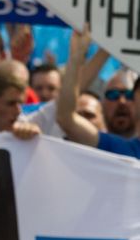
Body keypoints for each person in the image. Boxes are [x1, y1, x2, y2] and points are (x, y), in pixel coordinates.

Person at [56, 26, 140, 158]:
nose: (122, 101)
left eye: (128, 95)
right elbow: (65, 118)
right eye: (113, 95)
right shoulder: (115, 148)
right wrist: (76, 58)